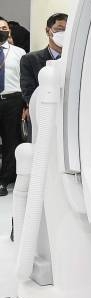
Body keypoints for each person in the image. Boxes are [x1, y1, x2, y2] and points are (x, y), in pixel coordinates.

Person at [0, 18, 27, 196]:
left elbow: (24, 80)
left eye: (4, 28)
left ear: (9, 31)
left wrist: (26, 105)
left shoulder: (19, 52)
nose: (2, 30)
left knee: (11, 141)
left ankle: (4, 180)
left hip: (12, 100)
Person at [20, 13, 67, 116]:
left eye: (67, 30)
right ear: (48, 31)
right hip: (43, 114)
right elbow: (28, 91)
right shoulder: (30, 59)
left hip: (68, 113)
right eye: (59, 29)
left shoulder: (74, 60)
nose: (63, 33)